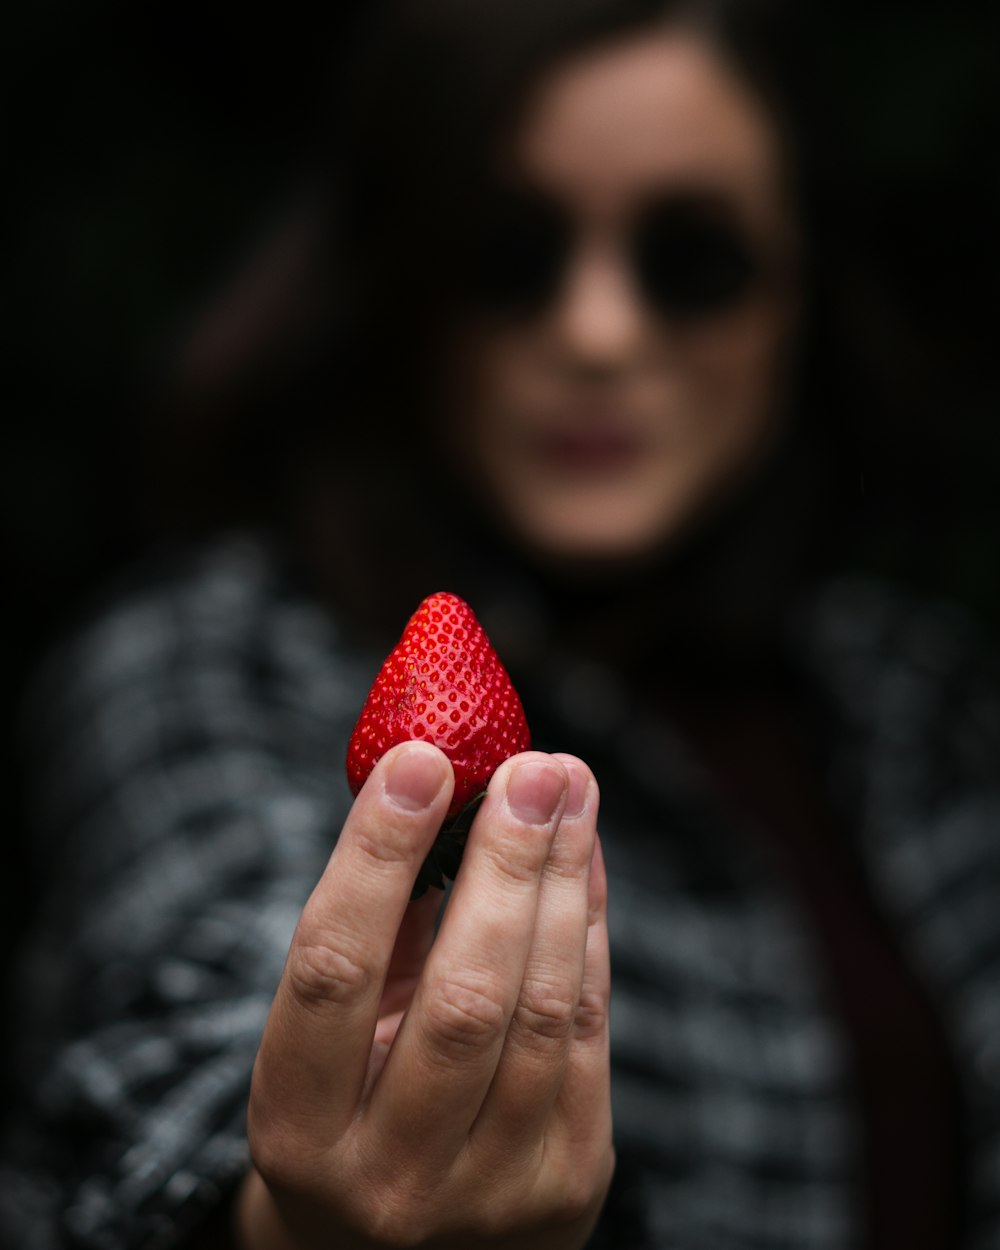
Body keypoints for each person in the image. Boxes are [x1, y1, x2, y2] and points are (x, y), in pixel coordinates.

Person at [2, 1, 998, 1247]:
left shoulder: (918, 698)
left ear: (802, 293)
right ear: (398, 288)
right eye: (508, 255)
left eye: (691, 260)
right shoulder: (208, 657)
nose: (597, 333)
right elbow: (187, 1014)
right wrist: (287, 1208)